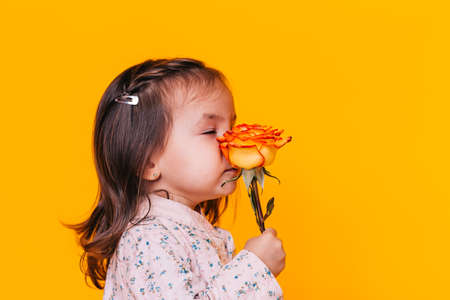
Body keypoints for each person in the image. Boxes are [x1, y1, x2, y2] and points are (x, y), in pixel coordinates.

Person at [65, 58, 286, 299]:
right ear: (148, 163)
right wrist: (253, 269)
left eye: (231, 127)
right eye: (210, 131)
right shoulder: (148, 239)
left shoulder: (181, 229)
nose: (230, 141)